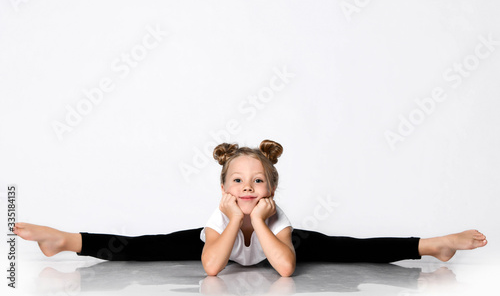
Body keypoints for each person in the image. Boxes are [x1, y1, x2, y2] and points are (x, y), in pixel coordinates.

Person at [14, 140, 488, 277]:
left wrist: (259, 221)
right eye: (237, 181)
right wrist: (235, 219)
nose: (247, 186)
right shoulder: (219, 217)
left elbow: (284, 270)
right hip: (222, 238)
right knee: (143, 248)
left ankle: (434, 246)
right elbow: (213, 269)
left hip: (275, 240)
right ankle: (66, 241)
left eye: (257, 180)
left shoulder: (274, 218)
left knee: (351, 249)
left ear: (271, 187)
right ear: (224, 186)